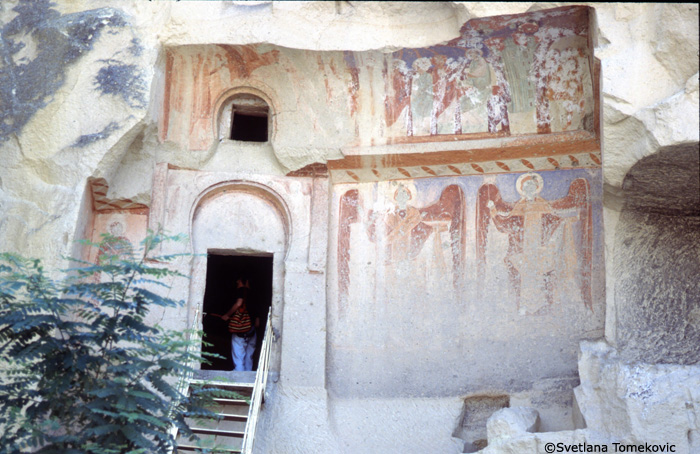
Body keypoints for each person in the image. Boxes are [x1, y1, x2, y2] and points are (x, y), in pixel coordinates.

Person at [221, 277, 259, 371]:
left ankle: (239, 377)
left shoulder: (242, 291)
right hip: (252, 330)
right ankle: (248, 378)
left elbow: (239, 303)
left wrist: (227, 315)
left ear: (244, 281)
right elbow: (257, 317)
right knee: (249, 357)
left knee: (239, 357)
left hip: (241, 330)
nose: (237, 283)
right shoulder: (254, 294)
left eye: (238, 281)